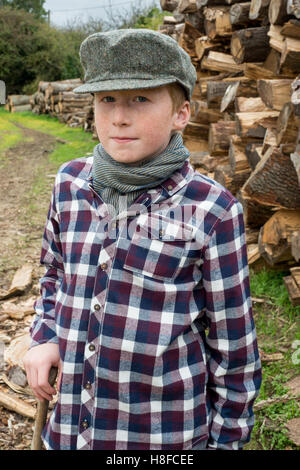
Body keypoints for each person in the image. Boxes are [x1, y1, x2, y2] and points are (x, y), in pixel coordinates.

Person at [23, 29, 262, 451]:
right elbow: (55, 274)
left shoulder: (212, 210)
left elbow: (235, 348)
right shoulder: (69, 185)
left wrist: (227, 441)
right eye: (107, 99)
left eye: (140, 99)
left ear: (182, 113)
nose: (119, 117)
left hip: (160, 435)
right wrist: (46, 337)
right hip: (70, 432)